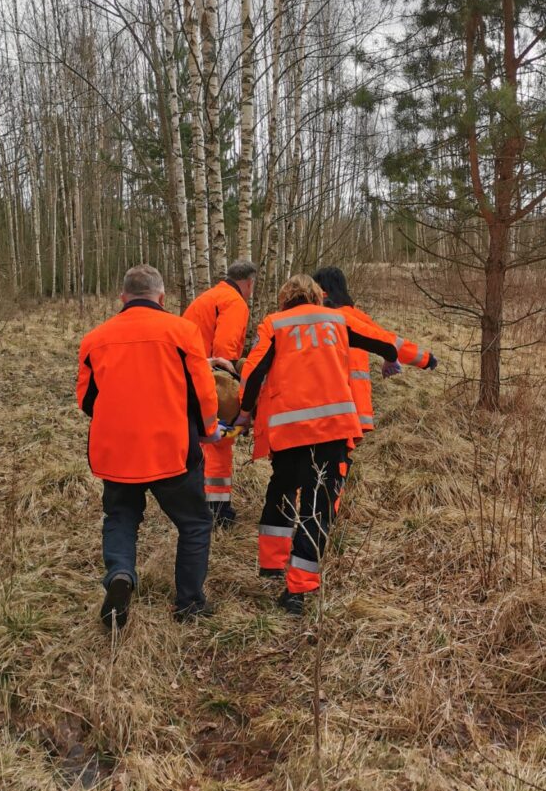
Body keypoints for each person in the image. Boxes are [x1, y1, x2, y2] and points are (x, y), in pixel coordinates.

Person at [236, 274, 415, 616]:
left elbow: (254, 372)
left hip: (289, 432)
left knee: (281, 491)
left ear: (285, 298)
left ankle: (271, 566)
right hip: (332, 432)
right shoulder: (338, 320)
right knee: (317, 507)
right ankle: (297, 591)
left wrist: (244, 414)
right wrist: (390, 358)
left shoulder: (275, 324)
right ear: (318, 296)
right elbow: (382, 342)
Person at [77, 264, 224, 630]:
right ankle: (190, 603)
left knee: (121, 516)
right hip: (172, 450)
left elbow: (87, 401)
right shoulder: (183, 332)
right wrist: (208, 430)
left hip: (116, 452)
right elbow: (204, 392)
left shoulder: (95, 339)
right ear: (162, 297)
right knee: (194, 523)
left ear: (123, 297)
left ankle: (120, 574)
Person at [313, 265, 437, 436]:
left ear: (322, 290)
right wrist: (425, 359)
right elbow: (389, 341)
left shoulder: (316, 321)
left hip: (329, 408)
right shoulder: (357, 317)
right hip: (356, 407)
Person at [183, 260, 257, 528]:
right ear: (248, 283)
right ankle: (216, 510)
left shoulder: (211, 296)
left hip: (189, 374)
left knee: (201, 441)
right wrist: (235, 390)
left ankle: (198, 500)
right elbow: (225, 352)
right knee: (220, 440)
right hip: (208, 378)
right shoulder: (234, 302)